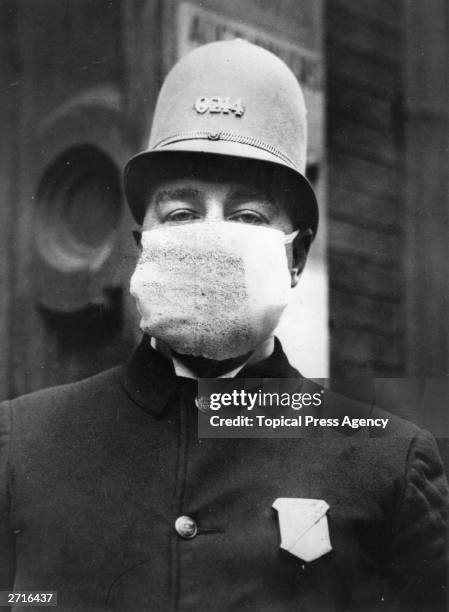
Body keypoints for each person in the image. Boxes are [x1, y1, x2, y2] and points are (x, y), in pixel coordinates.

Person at [0, 40, 447, 611]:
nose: (211, 236)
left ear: (296, 256)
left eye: (246, 216)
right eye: (182, 214)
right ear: (144, 246)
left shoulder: (386, 463)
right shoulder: (24, 446)